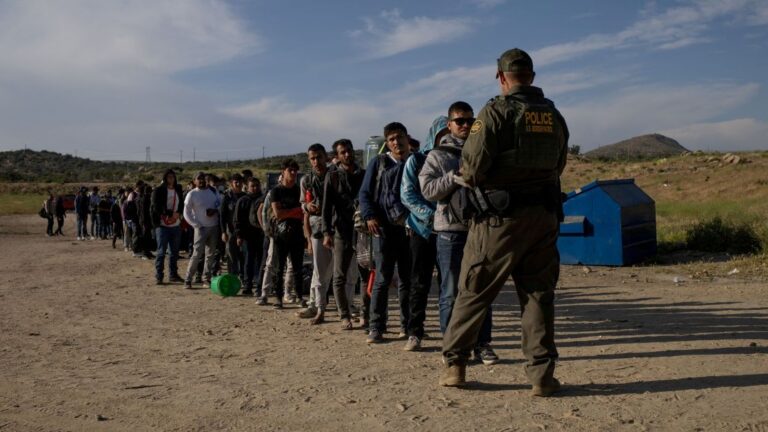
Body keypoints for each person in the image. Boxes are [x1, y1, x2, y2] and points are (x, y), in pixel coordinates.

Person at [438, 49, 568, 397]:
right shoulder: (554, 116)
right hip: (542, 217)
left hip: (499, 222)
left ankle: (456, 366)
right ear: (532, 76)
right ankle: (542, 376)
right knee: (538, 295)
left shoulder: (495, 112)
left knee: (474, 289)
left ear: (501, 77)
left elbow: (473, 167)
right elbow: (558, 165)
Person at [421, 102, 499, 365]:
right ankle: (452, 346)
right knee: (451, 292)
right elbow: (428, 190)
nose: (465, 125)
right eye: (459, 121)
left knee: (482, 290)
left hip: (480, 229)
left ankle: (483, 344)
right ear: (449, 125)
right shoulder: (438, 155)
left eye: (469, 120)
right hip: (450, 234)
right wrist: (454, 177)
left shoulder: (484, 150)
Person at [358, 122, 412, 344]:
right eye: (391, 139)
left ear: (407, 138)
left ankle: (407, 326)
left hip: (411, 230)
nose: (396, 142)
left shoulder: (415, 162)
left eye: (399, 137)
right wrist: (370, 216)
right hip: (384, 229)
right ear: (387, 143)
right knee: (382, 279)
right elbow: (365, 193)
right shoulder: (378, 163)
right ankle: (376, 326)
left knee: (408, 280)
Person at [322, 139, 365, 330]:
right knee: (339, 275)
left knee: (366, 275)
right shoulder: (332, 177)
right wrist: (326, 232)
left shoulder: (363, 174)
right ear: (337, 156)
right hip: (341, 230)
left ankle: (367, 314)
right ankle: (344, 315)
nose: (347, 154)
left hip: (363, 231)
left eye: (349, 151)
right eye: (342, 152)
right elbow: (326, 207)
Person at [299, 143, 334, 324]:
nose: (316, 161)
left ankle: (348, 308)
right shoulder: (306, 180)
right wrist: (308, 206)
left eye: (319, 157)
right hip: (317, 229)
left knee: (342, 272)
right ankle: (319, 308)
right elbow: (303, 206)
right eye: (312, 158)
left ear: (325, 157)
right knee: (319, 272)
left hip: (336, 228)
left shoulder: (334, 175)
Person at [268, 159, 306, 309]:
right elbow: (277, 214)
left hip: (297, 232)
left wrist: (291, 212)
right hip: (280, 234)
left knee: (297, 267)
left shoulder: (298, 190)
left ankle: (299, 296)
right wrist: (296, 211)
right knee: (279, 267)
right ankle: (278, 298)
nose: (293, 173)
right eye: (290, 170)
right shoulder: (276, 191)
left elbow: (304, 213)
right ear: (282, 172)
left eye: (295, 171)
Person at [183, 172, 221, 289]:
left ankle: (206, 278)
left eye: (203, 178)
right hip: (200, 228)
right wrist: (196, 224)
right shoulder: (192, 194)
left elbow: (220, 204)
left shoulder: (213, 191)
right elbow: (186, 212)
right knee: (197, 254)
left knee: (210, 255)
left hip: (214, 227)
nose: (201, 181)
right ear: (194, 181)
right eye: (198, 179)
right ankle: (188, 279)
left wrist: (215, 210)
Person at [151, 169, 184, 285]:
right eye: (169, 176)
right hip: (162, 225)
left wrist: (178, 214)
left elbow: (181, 204)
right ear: (165, 178)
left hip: (175, 224)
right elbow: (156, 206)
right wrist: (169, 214)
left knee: (174, 252)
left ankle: (173, 274)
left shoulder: (178, 189)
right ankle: (159, 275)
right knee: (161, 252)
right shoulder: (159, 190)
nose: (171, 178)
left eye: (173, 176)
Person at [233, 176, 265, 297]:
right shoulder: (243, 201)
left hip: (261, 235)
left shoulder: (264, 199)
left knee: (262, 261)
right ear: (247, 187)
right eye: (253, 186)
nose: (255, 188)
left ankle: (261, 284)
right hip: (247, 236)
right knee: (249, 261)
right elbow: (237, 220)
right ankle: (247, 285)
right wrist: (239, 235)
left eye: (257, 185)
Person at [220, 173, 246, 280]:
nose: (238, 184)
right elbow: (222, 216)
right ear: (231, 184)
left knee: (243, 256)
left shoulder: (245, 197)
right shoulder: (227, 198)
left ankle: (244, 277)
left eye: (240, 182)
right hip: (230, 231)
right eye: (236, 182)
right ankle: (233, 278)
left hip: (244, 231)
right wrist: (223, 232)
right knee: (231, 255)